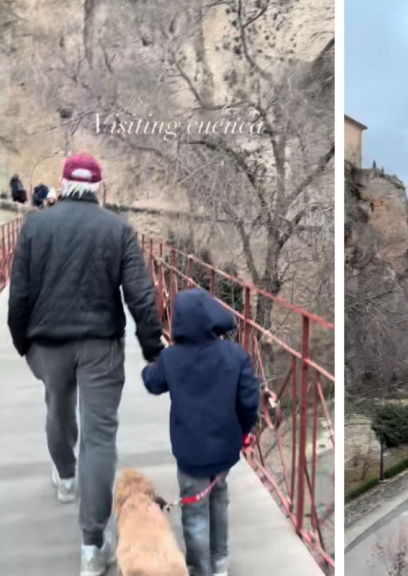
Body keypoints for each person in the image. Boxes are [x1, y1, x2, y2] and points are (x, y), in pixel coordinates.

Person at [7, 152, 165, 575]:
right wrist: (152, 348)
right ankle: (92, 549)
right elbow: (141, 296)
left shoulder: (36, 226)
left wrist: (23, 343)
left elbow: (19, 293)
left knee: (57, 408)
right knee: (99, 439)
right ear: (99, 187)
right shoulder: (116, 229)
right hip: (101, 347)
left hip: (48, 342)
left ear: (62, 184)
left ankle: (66, 478)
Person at [142, 288, 259, 576]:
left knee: (194, 513)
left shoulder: (171, 359)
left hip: (190, 454)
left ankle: (200, 569)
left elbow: (152, 383)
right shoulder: (234, 355)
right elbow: (248, 401)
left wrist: (153, 361)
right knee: (219, 499)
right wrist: (244, 433)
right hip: (225, 450)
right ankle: (220, 563)